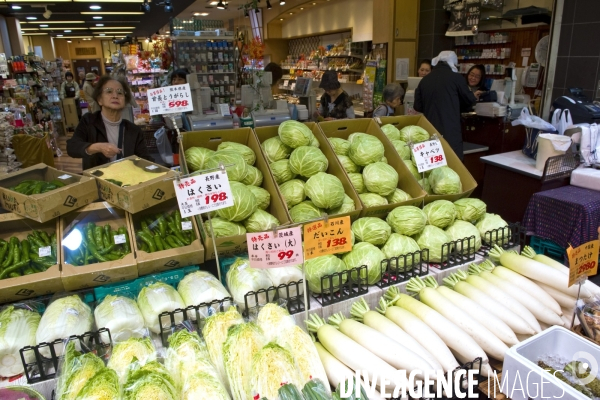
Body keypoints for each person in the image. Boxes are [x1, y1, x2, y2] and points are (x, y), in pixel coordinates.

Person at [67, 75, 152, 170]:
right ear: (99, 100)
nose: (115, 96)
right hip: (98, 182)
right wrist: (97, 147)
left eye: (120, 93)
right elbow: (72, 147)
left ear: (125, 100)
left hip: (127, 180)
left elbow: (145, 159)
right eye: (109, 91)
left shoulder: (133, 130)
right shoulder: (89, 121)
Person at [414, 51, 479, 160]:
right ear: (453, 63)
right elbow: (469, 100)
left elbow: (417, 106)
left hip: (429, 130)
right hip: (450, 131)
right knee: (453, 164)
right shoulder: (456, 78)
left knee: (432, 163)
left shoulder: (424, 81)